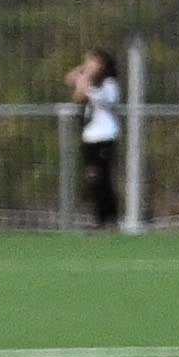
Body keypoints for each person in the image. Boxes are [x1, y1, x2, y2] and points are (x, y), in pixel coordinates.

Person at [66, 52, 126, 229]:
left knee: (103, 178)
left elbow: (105, 100)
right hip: (90, 138)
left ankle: (109, 219)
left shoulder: (109, 85)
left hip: (105, 137)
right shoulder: (89, 82)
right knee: (93, 178)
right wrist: (84, 70)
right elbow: (70, 80)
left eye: (92, 61)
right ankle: (100, 217)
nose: (89, 65)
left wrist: (88, 85)